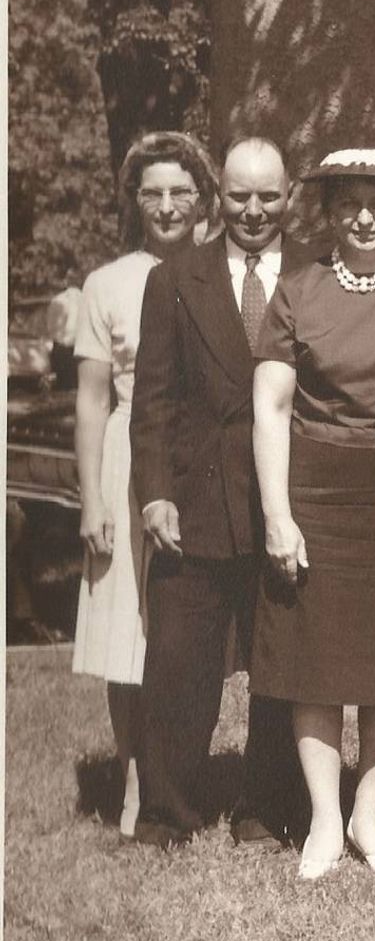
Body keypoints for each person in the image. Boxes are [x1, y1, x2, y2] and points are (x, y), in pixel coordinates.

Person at [250, 149, 375, 880]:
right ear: (326, 214)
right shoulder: (300, 289)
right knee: (318, 661)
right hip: (318, 486)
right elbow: (270, 405)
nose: (365, 217)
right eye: (348, 204)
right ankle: (325, 821)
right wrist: (278, 512)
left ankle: (371, 812)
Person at [131, 137, 310, 849]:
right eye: (240, 195)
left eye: (268, 195)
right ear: (218, 198)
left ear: (288, 196)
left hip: (282, 501)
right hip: (196, 501)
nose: (254, 210)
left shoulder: (313, 273)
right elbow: (153, 401)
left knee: (279, 662)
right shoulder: (176, 277)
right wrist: (154, 495)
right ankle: (165, 811)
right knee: (178, 659)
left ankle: (265, 809)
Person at [74, 131, 215, 836]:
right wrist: (93, 498)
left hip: (201, 455)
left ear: (202, 197)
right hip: (128, 460)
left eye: (180, 192)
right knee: (126, 627)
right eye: (152, 193)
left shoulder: (219, 269)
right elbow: (94, 398)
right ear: (135, 200)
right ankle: (134, 777)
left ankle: (185, 770)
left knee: (184, 631)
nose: (166, 206)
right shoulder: (108, 282)